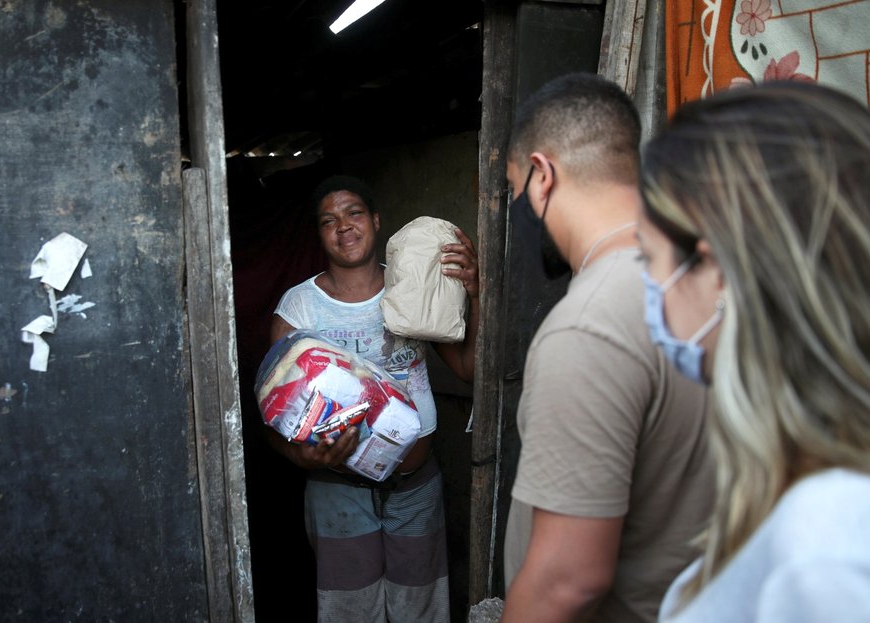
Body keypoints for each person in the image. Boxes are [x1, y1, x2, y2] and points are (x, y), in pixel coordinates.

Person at [637, 81, 870, 622]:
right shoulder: (808, 498)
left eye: (646, 260)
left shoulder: (825, 549)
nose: (646, 288)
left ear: (716, 272)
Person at [500, 73, 715, 622]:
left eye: (515, 189)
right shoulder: (711, 279)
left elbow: (567, 582)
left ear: (542, 176)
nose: (517, 208)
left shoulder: (587, 327)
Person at [267, 174, 480, 622]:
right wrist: (308, 461)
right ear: (319, 234)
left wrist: (476, 297)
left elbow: (467, 368)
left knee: (420, 608)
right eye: (329, 220)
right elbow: (274, 416)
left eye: (354, 213)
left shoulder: (411, 287)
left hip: (416, 486)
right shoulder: (299, 307)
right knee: (351, 610)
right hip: (338, 491)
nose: (343, 227)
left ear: (377, 220)